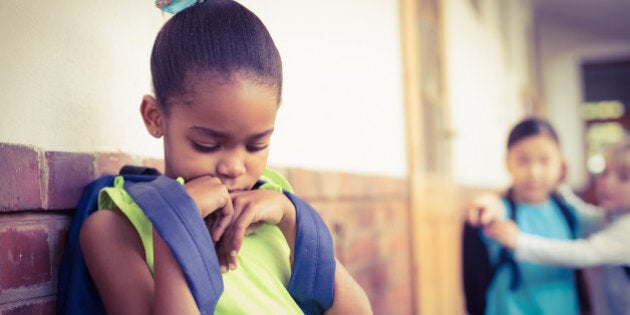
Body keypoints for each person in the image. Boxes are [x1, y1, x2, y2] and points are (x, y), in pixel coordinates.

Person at [78, 1, 372, 314]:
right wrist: (175, 225)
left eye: (256, 146)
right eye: (206, 144)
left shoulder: (268, 209)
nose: (234, 167)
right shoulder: (117, 229)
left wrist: (292, 217)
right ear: (154, 117)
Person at [472, 140, 630, 315]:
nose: (607, 183)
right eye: (604, 173)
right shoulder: (613, 216)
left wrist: (520, 242)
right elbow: (583, 215)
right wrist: (559, 183)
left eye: (624, 177)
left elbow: (583, 253)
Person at [462, 117, 583, 315]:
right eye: (523, 160)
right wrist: (487, 205)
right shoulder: (495, 213)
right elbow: (472, 287)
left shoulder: (570, 212)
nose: (534, 172)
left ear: (561, 164)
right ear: (507, 163)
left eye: (545, 160)